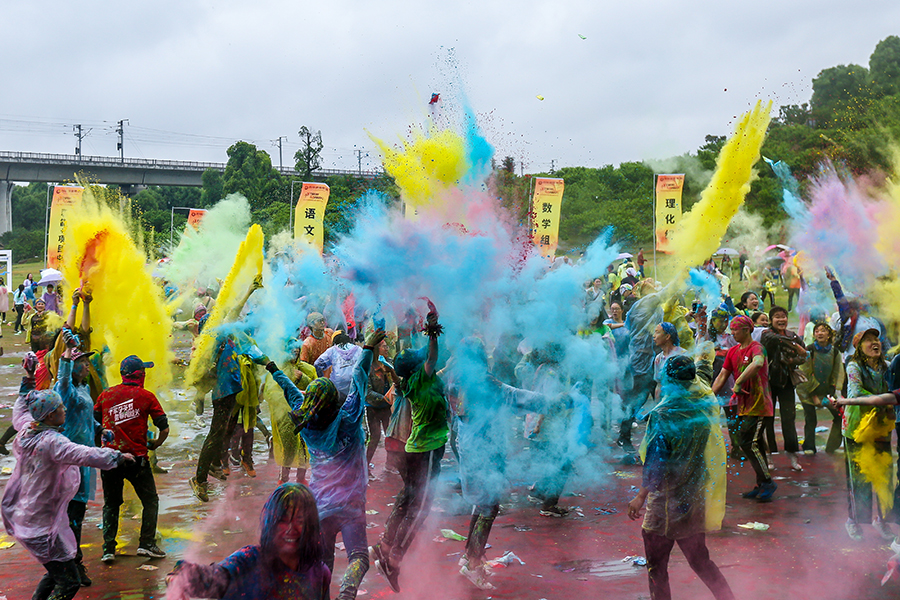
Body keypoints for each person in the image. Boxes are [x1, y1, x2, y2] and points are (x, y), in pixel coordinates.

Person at [267, 327, 386, 600]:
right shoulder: (348, 419)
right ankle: (346, 595)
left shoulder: (307, 425)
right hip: (351, 504)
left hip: (320, 507)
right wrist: (367, 348)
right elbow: (359, 378)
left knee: (323, 567)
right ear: (334, 400)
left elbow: (290, 389)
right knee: (359, 557)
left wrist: (271, 366)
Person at [2, 389, 133, 600]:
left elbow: (21, 412)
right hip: (40, 523)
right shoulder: (52, 442)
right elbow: (83, 453)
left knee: (56, 573)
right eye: (61, 407)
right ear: (50, 415)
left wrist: (27, 383)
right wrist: (117, 457)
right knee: (69, 582)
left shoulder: (28, 429)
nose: (65, 410)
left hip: (31, 516)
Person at [628, 355, 734, 600]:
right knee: (700, 559)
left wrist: (640, 496)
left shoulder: (663, 414)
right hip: (695, 496)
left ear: (668, 378)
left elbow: (657, 461)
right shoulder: (701, 406)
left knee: (656, 564)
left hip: (667, 502)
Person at [370, 309, 447, 593]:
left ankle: (383, 545)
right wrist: (432, 328)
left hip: (419, 449)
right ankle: (394, 560)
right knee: (421, 507)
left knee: (409, 496)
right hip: (425, 451)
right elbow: (432, 356)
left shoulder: (412, 382)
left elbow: (432, 362)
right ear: (417, 368)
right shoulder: (422, 378)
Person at [165, 483, 330, 600]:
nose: (290, 529)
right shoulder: (249, 561)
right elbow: (214, 578)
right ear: (270, 523)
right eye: (283, 520)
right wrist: (182, 577)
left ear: (312, 525)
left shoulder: (319, 573)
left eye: (300, 521)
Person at [191, 276, 262, 501]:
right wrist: (249, 290)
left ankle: (212, 464)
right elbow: (233, 311)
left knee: (222, 432)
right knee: (215, 434)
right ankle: (199, 479)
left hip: (229, 392)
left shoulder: (221, 337)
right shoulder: (216, 335)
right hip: (223, 393)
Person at [94, 355, 169, 562]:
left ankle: (108, 549)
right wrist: (156, 444)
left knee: (111, 503)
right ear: (140, 375)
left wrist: (99, 448)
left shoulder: (105, 395)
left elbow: (94, 423)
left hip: (110, 459)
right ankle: (146, 544)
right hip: (137, 460)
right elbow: (163, 426)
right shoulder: (146, 396)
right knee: (150, 501)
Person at [836, 328, 896, 541]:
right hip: (856, 430)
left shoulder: (887, 366)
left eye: (876, 339)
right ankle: (853, 520)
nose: (874, 343)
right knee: (859, 477)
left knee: (884, 476)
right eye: (868, 340)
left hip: (881, 429)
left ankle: (882, 520)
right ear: (859, 348)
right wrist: (885, 400)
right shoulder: (854, 366)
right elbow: (856, 393)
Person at [712, 315, 777, 502]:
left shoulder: (757, 348)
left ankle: (767, 482)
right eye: (731, 330)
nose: (732, 333)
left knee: (748, 442)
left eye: (735, 330)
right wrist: (708, 396)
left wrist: (739, 381)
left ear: (747, 330)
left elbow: (757, 364)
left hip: (760, 405)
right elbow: (722, 376)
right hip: (744, 406)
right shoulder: (733, 351)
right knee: (750, 444)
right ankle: (762, 483)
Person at [54, 331, 100, 586]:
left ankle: (72, 561)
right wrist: (66, 357)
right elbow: (61, 385)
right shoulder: (67, 389)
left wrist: (99, 428)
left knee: (77, 513)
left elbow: (85, 417)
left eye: (86, 361)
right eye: (83, 361)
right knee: (71, 514)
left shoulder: (82, 388)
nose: (87, 365)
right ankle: (73, 564)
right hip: (70, 460)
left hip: (85, 459)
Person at [760, 306, 807, 472]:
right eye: (777, 317)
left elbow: (805, 355)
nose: (781, 320)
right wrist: (796, 346)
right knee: (768, 419)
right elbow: (774, 340)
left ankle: (793, 455)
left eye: (784, 316)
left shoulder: (792, 335)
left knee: (789, 418)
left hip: (787, 382)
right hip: (768, 382)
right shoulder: (767, 334)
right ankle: (769, 455)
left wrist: (793, 360)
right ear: (771, 320)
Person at [795, 322, 844, 455]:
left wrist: (830, 392)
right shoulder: (809, 350)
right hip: (807, 391)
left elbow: (836, 373)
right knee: (811, 419)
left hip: (825, 391)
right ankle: (809, 446)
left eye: (823, 331)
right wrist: (814, 394)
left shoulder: (834, 352)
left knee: (839, 415)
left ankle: (832, 446)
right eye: (817, 331)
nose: (820, 333)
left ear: (829, 335)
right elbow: (805, 373)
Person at [365, 340, 398, 471]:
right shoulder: (369, 367)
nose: (387, 348)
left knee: (390, 435)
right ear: (377, 349)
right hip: (373, 407)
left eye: (387, 346)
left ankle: (390, 464)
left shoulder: (389, 363)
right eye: (384, 346)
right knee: (375, 436)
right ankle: (365, 465)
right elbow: (367, 392)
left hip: (387, 406)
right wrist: (383, 398)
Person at [314, 331, 362, 401]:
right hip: (355, 385)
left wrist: (321, 377)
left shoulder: (332, 350)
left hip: (337, 387)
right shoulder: (358, 349)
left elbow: (317, 364)